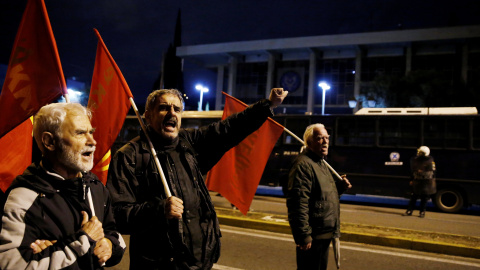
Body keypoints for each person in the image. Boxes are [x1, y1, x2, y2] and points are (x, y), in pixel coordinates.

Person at [107, 88, 288, 269]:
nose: (172, 113)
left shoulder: (189, 142)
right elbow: (117, 215)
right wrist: (159, 209)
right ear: (148, 115)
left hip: (200, 262)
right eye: (164, 108)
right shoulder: (129, 156)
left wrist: (267, 105)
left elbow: (229, 129)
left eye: (177, 109)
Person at [0, 103, 126, 269]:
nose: (92, 141)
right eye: (80, 133)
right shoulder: (24, 196)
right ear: (49, 141)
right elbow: (11, 264)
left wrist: (109, 244)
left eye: (91, 132)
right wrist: (83, 241)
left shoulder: (95, 187)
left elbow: (114, 232)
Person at [286, 123, 352, 270]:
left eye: (327, 138)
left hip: (324, 234)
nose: (325, 141)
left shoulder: (320, 163)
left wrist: (339, 188)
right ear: (309, 142)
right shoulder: (303, 165)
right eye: (319, 138)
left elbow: (321, 195)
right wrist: (304, 235)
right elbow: (298, 202)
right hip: (314, 236)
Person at [403, 146, 436, 218]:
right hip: (417, 180)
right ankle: (409, 210)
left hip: (427, 182)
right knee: (413, 197)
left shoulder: (430, 161)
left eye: (420, 152)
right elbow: (413, 171)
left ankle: (422, 212)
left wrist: (422, 172)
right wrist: (411, 179)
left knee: (424, 198)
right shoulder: (415, 160)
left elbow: (432, 172)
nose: (418, 153)